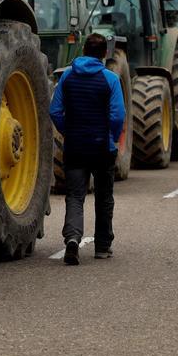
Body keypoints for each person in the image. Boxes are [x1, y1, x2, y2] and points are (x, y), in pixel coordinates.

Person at [49, 33, 126, 265]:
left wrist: (67, 131)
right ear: (105, 54)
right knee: (103, 197)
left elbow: (55, 110)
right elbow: (118, 114)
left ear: (83, 50)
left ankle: (72, 240)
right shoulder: (110, 79)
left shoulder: (68, 77)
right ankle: (102, 247)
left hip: (74, 146)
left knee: (74, 196)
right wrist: (111, 136)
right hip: (102, 147)